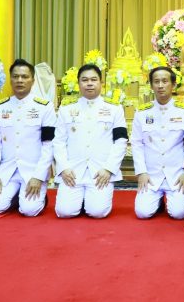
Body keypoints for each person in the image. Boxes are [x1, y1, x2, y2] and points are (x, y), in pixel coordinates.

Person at [53, 64, 128, 219]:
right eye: (85, 80)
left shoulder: (114, 108)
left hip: (100, 171)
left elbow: (120, 141)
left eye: (94, 80)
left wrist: (109, 169)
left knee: (98, 212)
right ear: (78, 83)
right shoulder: (66, 109)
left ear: (101, 83)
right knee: (64, 212)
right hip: (73, 171)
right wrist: (64, 168)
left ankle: (87, 200)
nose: (89, 83)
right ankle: (80, 200)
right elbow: (58, 141)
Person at [0, 59, 56, 217]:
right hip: (7, 170)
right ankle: (15, 197)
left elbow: (48, 145)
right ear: (10, 80)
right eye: (15, 76)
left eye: (24, 77)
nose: (20, 80)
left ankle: (35, 197)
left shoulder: (44, 107)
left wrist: (39, 176)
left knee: (30, 210)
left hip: (33, 170)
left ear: (33, 80)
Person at [131, 66, 184, 219]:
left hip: (176, 174)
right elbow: (136, 144)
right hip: (151, 174)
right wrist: (141, 172)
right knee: (142, 213)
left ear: (173, 85)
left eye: (164, 81)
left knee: (179, 214)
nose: (160, 85)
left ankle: (173, 198)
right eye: (156, 82)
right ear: (151, 85)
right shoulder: (142, 113)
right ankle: (158, 202)